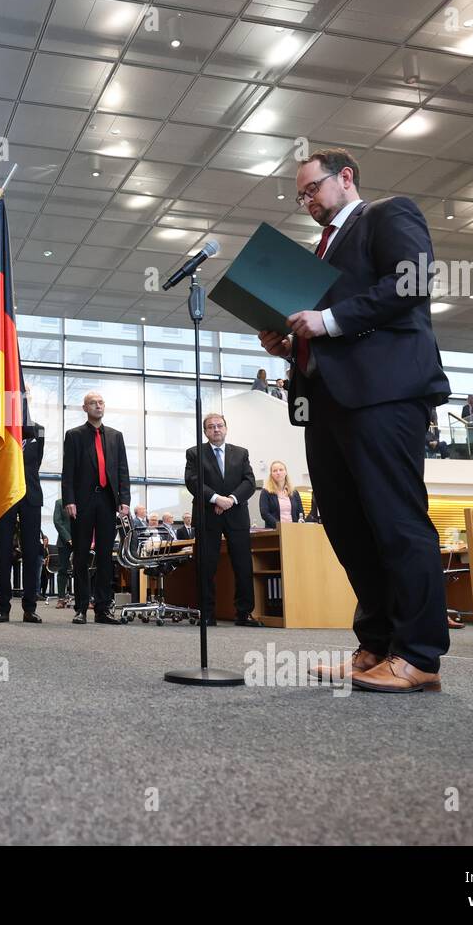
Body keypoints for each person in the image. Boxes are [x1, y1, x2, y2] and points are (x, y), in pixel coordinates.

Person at [259, 146, 449, 694]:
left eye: (312, 189)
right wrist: (287, 341)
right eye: (300, 196)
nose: (307, 201)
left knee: (396, 521)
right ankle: (376, 646)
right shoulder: (316, 256)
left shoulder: (388, 214)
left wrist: (328, 319)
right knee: (346, 527)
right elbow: (320, 328)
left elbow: (409, 283)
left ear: (345, 178)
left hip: (384, 394)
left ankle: (418, 657)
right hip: (325, 401)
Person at [62, 391, 130, 625]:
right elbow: (67, 472)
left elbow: (123, 470)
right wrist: (69, 499)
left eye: (101, 402)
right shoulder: (74, 436)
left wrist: (125, 500)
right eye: (93, 403)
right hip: (82, 502)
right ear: (85, 408)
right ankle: (80, 607)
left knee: (104, 556)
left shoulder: (115, 436)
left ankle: (103, 608)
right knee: (81, 555)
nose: (98, 406)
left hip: (108, 501)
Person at [185, 413, 258, 627]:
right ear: (205, 431)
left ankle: (244, 613)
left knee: (243, 565)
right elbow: (193, 482)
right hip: (208, 515)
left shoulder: (241, 453)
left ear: (226, 428)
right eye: (211, 427)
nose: (216, 429)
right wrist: (217, 499)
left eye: (219, 426)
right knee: (206, 566)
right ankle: (207, 613)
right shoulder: (194, 453)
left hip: (236, 516)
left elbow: (249, 482)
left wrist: (231, 500)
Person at [0, 423, 44, 624]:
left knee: (32, 554)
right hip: (4, 495)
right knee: (3, 553)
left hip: (30, 495)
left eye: (26, 394)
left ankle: (29, 609)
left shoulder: (38, 430)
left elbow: (36, 462)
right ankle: (3, 608)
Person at [259, 460, 304, 528]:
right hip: (275, 531)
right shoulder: (266, 492)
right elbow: (264, 513)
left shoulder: (294, 492)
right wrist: (280, 526)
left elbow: (301, 512)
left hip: (293, 530)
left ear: (285, 472)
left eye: (281, 470)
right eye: (275, 471)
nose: (278, 472)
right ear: (271, 474)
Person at [53, 498, 73, 606]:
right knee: (62, 570)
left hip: (80, 541)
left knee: (83, 569)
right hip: (64, 542)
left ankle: (85, 598)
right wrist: (68, 538)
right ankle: (61, 598)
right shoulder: (59, 503)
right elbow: (57, 522)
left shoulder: (82, 500)